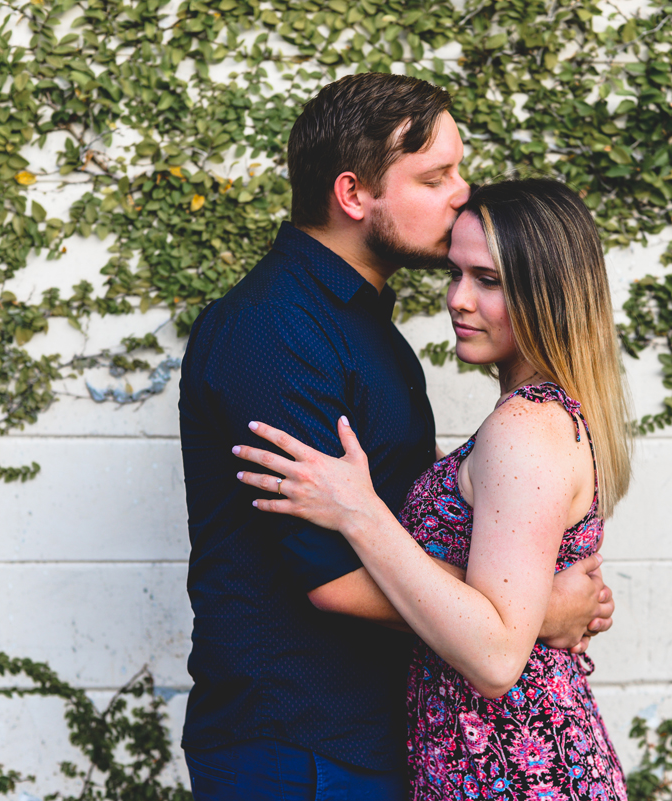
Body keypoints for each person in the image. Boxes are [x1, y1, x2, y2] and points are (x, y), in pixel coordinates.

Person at [178, 74, 617, 801]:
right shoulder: (276, 330)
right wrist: (537, 610)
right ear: (354, 195)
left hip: (372, 733)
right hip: (299, 741)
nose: (460, 191)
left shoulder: (369, 331)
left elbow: (428, 534)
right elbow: (334, 578)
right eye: (437, 175)